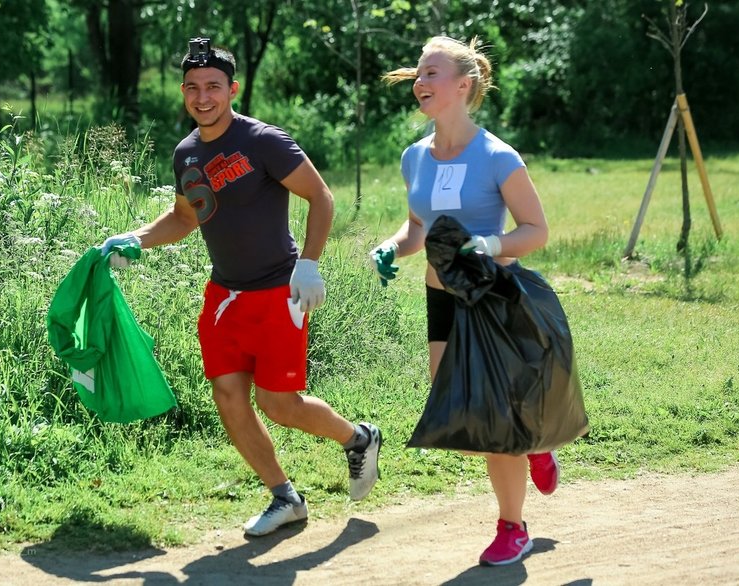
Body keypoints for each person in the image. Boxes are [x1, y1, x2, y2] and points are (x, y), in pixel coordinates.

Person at [100, 38, 381, 537]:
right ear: (183, 93)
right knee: (229, 398)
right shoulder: (186, 154)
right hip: (225, 295)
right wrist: (137, 239)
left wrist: (309, 264)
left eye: (212, 86)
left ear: (233, 89)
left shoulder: (263, 141)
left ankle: (358, 438)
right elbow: (185, 217)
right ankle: (284, 497)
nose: (202, 97)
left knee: (280, 405)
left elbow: (320, 196)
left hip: (279, 290)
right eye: (192, 88)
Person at [370, 35, 559, 566]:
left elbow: (536, 230)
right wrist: (390, 248)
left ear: (463, 85)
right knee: (461, 415)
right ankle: (533, 442)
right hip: (440, 297)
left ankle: (512, 527)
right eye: (418, 74)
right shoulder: (414, 158)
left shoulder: (497, 156)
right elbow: (416, 230)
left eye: (431, 74)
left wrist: (490, 244)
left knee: (494, 421)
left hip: (491, 296)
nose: (420, 82)